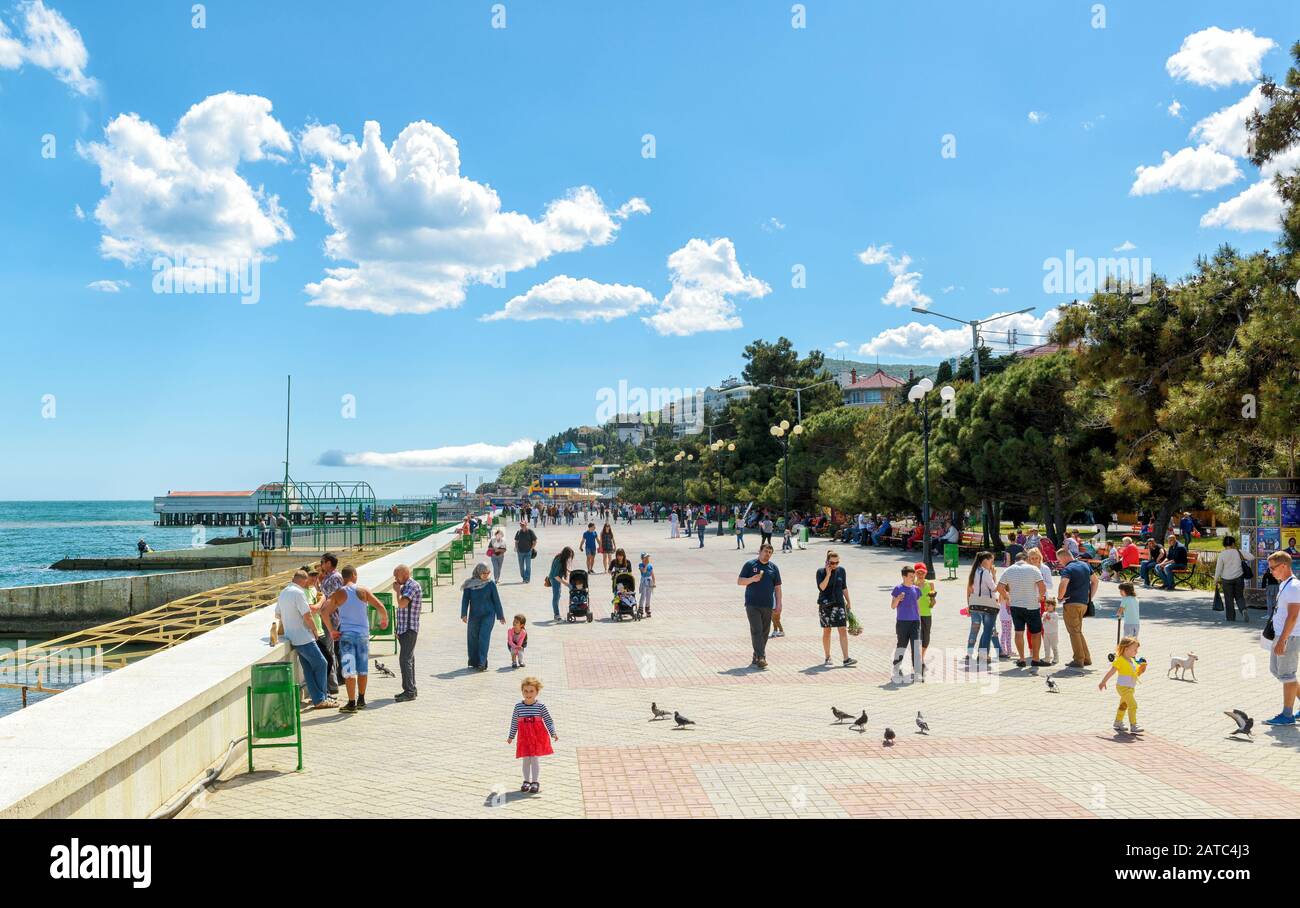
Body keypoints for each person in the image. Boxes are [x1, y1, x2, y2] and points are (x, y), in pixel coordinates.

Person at [318, 565, 388, 713]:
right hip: (363, 636)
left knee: (349, 670)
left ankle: (351, 703)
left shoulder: (339, 593)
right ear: (354, 575)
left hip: (347, 637)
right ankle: (361, 700)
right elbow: (380, 606)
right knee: (363, 669)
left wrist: (331, 630)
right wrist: (384, 620)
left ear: (343, 578)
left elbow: (324, 611)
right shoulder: (364, 591)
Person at [275, 570, 336, 710]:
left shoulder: (284, 592)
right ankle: (322, 699)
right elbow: (307, 616)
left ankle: (317, 699)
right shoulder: (299, 593)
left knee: (308, 668)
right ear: (303, 580)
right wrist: (315, 631)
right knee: (322, 663)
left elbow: (278, 615)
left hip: (292, 637)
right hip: (304, 637)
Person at [1264, 551, 1300, 726]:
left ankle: (1287, 715)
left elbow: (1293, 616)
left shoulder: (1293, 587)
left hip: (1290, 636)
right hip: (1282, 634)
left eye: (1273, 568)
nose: (1271, 571)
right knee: (1277, 671)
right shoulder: (1284, 584)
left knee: (1287, 674)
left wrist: (1282, 640)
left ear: (1284, 566)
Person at [507, 676, 557, 795]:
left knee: (534, 758)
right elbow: (514, 721)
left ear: (537, 692)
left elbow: (549, 720)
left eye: (531, 691)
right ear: (522, 691)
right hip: (524, 737)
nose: (528, 694)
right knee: (526, 759)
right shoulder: (518, 706)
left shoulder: (541, 706)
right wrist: (511, 736)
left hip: (537, 736)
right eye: (525, 691)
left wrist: (553, 732)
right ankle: (526, 781)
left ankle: (535, 782)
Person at [998, 552, 1047, 668]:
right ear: (1026, 559)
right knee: (1036, 633)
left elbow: (999, 587)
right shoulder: (1033, 569)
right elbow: (1042, 587)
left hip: (1015, 605)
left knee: (1019, 632)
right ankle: (1035, 658)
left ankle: (1021, 658)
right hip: (1032, 605)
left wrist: (1007, 597)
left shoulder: (1008, 570)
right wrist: (1040, 597)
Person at [738, 542, 782, 669]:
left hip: (767, 604)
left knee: (764, 632)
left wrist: (779, 603)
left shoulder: (773, 568)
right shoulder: (750, 565)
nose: (767, 554)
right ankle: (762, 657)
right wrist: (752, 579)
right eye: (765, 551)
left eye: (770, 552)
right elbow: (740, 581)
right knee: (756, 629)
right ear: (760, 551)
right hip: (752, 604)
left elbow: (778, 588)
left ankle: (756, 655)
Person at [1057, 548, 1098, 670]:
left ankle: (1078, 659)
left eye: (1059, 560)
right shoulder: (1085, 565)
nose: (1060, 563)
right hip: (1084, 603)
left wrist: (1060, 598)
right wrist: (1089, 598)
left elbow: (1063, 583)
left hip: (1071, 603)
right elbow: (1095, 581)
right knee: (1078, 631)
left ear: (1064, 557)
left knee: (1074, 632)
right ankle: (1086, 658)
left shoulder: (1068, 569)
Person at [461, 562, 505, 671]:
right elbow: (465, 600)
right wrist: (463, 614)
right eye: (484, 573)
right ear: (478, 572)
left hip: (488, 615)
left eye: (488, 573)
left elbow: (496, 600)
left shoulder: (490, 584)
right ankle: (474, 661)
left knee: (483, 638)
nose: (486, 575)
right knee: (473, 638)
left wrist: (500, 615)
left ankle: (482, 662)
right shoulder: (469, 585)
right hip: (474, 616)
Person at [1098, 636, 1147, 734]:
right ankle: (1133, 725)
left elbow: (1135, 673)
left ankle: (1118, 722)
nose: (1136, 651)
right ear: (1126, 649)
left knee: (1123, 705)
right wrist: (1103, 682)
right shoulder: (1120, 660)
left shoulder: (1132, 660)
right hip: (1123, 687)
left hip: (1131, 687)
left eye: (1137, 649)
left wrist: (1141, 669)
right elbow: (1111, 672)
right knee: (1133, 705)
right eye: (1135, 649)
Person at [816, 550, 855, 667]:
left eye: (836, 563)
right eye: (832, 563)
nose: (834, 565)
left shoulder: (841, 571)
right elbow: (821, 587)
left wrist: (849, 601)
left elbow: (844, 587)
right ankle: (827, 657)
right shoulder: (821, 572)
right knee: (827, 630)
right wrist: (828, 574)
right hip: (826, 605)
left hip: (839, 603)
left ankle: (846, 658)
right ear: (827, 562)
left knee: (842, 629)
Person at [391, 564, 422, 702]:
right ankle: (411, 689)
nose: (395, 579)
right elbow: (402, 611)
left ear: (404, 574)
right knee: (409, 659)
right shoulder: (406, 586)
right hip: (404, 629)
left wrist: (397, 591)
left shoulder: (411, 586)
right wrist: (398, 629)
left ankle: (409, 691)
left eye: (396, 576)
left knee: (405, 660)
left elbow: (402, 604)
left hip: (409, 629)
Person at [966, 552, 999, 670]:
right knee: (988, 630)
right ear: (986, 560)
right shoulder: (985, 572)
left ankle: (978, 652)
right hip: (987, 604)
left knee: (982, 629)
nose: (992, 563)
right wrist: (995, 577)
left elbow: (970, 588)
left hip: (975, 604)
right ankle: (984, 655)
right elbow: (994, 588)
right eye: (991, 560)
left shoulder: (975, 571)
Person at [890, 565, 922, 683]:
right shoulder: (898, 589)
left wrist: (919, 619)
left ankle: (917, 672)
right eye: (910, 576)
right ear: (904, 576)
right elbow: (893, 606)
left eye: (913, 576)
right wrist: (897, 599)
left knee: (916, 646)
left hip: (915, 622)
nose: (913, 578)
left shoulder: (916, 589)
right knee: (901, 645)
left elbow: (917, 605)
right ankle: (896, 668)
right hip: (902, 622)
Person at [318, 553, 345, 689]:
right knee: (331, 650)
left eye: (322, 562)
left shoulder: (335, 578)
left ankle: (332, 685)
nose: (321, 565)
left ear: (328, 563)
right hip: (328, 616)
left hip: (331, 617)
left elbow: (335, 598)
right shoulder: (328, 577)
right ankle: (334, 681)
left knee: (329, 651)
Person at [1213, 534, 1251, 621]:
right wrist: (1242, 559)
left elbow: (1218, 568)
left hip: (1226, 579)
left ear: (1224, 544)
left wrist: (1215, 579)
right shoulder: (1238, 552)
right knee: (1239, 596)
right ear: (1233, 543)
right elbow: (1251, 557)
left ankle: (1230, 617)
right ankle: (1243, 610)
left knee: (1228, 598)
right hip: (1239, 577)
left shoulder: (1222, 554)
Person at [913, 562, 936, 665]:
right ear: (915, 573)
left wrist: (932, 600)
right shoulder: (912, 585)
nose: (921, 575)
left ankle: (922, 657)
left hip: (926, 614)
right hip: (914, 615)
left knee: (926, 637)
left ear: (926, 573)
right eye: (919, 572)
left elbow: (932, 604)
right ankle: (917, 658)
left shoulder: (930, 584)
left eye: (923, 572)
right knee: (916, 637)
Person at [546, 547, 573, 620]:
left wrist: (569, 571)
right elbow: (556, 576)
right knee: (556, 596)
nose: (570, 558)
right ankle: (556, 614)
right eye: (569, 556)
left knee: (558, 595)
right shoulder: (560, 561)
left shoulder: (560, 557)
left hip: (555, 578)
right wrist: (567, 584)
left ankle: (556, 613)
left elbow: (562, 569)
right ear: (566, 555)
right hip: (554, 580)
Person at [638, 552, 655, 618]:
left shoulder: (650, 565)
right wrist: (646, 565)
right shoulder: (641, 565)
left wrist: (654, 582)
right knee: (643, 595)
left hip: (649, 581)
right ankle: (640, 608)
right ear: (642, 559)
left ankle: (647, 608)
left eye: (648, 557)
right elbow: (644, 572)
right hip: (643, 581)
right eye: (646, 557)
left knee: (648, 595)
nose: (647, 559)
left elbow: (652, 574)